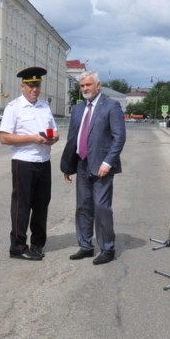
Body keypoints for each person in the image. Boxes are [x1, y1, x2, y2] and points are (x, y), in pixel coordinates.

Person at [60, 70, 126, 265]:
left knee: (101, 207)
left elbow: (119, 137)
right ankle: (86, 246)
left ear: (98, 86)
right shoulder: (78, 109)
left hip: (101, 166)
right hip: (82, 164)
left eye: (88, 85)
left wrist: (108, 162)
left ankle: (107, 248)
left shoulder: (111, 106)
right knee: (83, 207)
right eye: (82, 86)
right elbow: (73, 138)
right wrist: (67, 165)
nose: (85, 89)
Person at [0, 66, 59, 261]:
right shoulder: (14, 107)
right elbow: (4, 138)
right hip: (23, 162)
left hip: (44, 161)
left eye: (37, 85)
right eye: (31, 86)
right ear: (22, 86)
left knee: (42, 205)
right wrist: (33, 138)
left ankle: (37, 244)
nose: (35, 89)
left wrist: (53, 138)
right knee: (22, 206)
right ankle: (17, 246)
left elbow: (55, 132)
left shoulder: (44, 106)